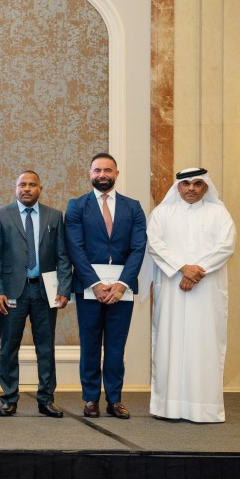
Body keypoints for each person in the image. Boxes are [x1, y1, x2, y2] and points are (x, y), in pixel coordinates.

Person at [147, 168, 236, 423]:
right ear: (177, 187)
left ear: (205, 187)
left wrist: (196, 271)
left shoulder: (219, 213)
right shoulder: (162, 213)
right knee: (169, 344)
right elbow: (154, 244)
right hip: (172, 287)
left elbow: (226, 246)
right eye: (186, 184)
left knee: (204, 344)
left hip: (206, 291)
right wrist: (182, 268)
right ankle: (168, 407)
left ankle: (204, 408)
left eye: (198, 184)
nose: (191, 189)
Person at [64, 153, 148, 419]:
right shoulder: (76, 206)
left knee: (115, 346)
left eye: (107, 170)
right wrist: (95, 283)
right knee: (90, 344)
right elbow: (75, 248)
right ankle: (91, 399)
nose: (102, 174)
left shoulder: (133, 207)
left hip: (122, 289)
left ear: (116, 173)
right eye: (97, 170)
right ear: (89, 174)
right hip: (90, 287)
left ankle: (114, 399)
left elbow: (138, 248)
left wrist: (123, 284)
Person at [0, 171, 73, 418]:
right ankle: (9, 399)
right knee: (9, 347)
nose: (27, 189)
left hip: (44, 290)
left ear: (41, 188)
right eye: (22, 185)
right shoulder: (0, 215)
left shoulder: (54, 216)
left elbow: (63, 256)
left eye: (32, 185)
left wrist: (64, 289)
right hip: (12, 291)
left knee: (46, 347)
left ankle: (46, 399)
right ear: (15, 188)